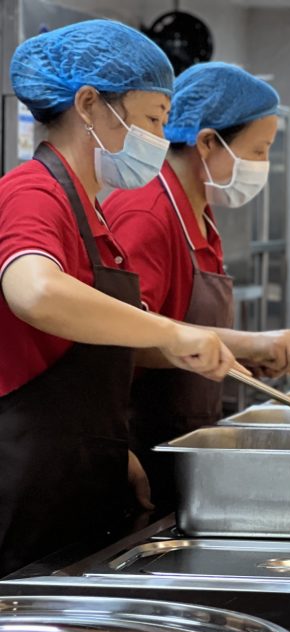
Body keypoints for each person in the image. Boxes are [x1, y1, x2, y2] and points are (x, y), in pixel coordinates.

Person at [0, 21, 236, 575]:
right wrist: (171, 331)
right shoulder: (31, 191)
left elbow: (101, 344)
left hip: (78, 471)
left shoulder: (91, 210)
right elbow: (35, 291)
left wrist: (110, 450)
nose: (160, 137)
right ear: (89, 104)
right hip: (28, 483)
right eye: (153, 119)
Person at [104, 62, 290, 509]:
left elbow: (185, 325)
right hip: (145, 440)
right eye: (258, 150)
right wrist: (252, 341)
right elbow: (125, 338)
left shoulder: (199, 212)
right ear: (208, 141)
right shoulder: (145, 213)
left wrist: (244, 356)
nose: (262, 165)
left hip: (186, 437)